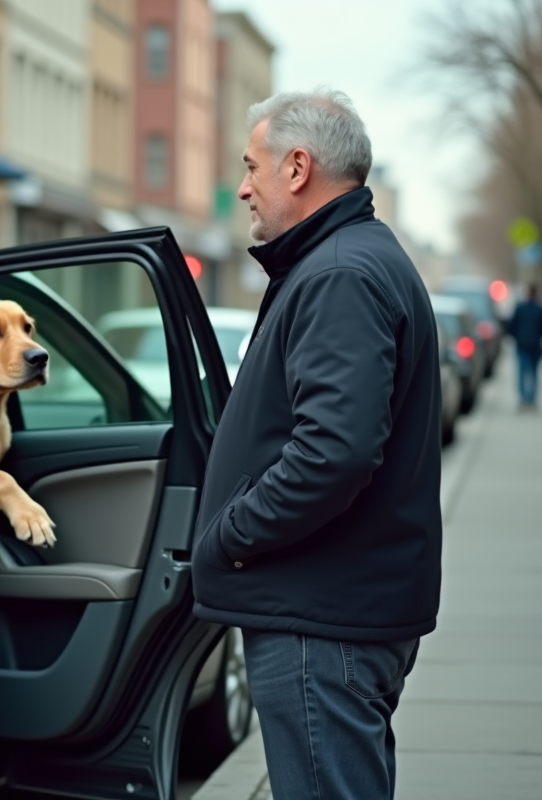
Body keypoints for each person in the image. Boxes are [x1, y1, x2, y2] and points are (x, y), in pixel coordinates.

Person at [191, 89, 441, 800]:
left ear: (297, 167)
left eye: (251, 166)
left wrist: (232, 535)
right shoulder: (346, 259)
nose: (243, 187)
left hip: (320, 619)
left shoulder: (337, 274)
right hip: (336, 608)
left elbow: (333, 453)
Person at [505, 284, 542, 409]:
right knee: (534, 372)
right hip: (535, 345)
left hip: (522, 344)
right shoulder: (541, 309)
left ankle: (523, 398)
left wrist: (516, 337)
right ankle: (531, 398)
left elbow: (512, 326)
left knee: (522, 372)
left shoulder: (520, 308)